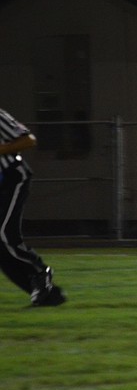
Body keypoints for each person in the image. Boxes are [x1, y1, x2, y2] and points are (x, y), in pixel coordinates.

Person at [0, 108, 66, 306]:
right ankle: (46, 294)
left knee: (4, 233)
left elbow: (29, 140)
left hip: (11, 178)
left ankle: (40, 272)